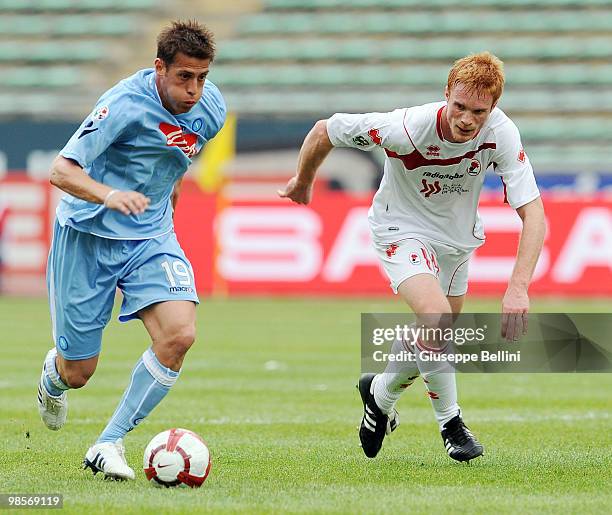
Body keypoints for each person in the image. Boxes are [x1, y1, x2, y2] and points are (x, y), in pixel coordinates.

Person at [279, 52, 545, 462]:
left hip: (457, 242)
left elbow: (534, 215)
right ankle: (451, 425)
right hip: (399, 229)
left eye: (479, 111)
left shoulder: (502, 133)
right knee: (437, 319)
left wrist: (518, 287)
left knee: (433, 335)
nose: (466, 120)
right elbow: (324, 130)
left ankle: (379, 395)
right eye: (459, 106)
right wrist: (304, 180)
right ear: (446, 95)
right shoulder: (406, 128)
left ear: (493, 108)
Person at [37, 20, 226, 480]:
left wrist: (170, 193)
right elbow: (60, 171)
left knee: (179, 335)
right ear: (159, 67)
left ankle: (108, 442)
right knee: (79, 371)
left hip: (150, 236)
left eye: (202, 77)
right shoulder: (122, 105)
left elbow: (178, 153)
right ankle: (53, 378)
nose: (194, 89)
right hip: (88, 237)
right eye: (184, 77)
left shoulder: (211, 109)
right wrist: (108, 195)